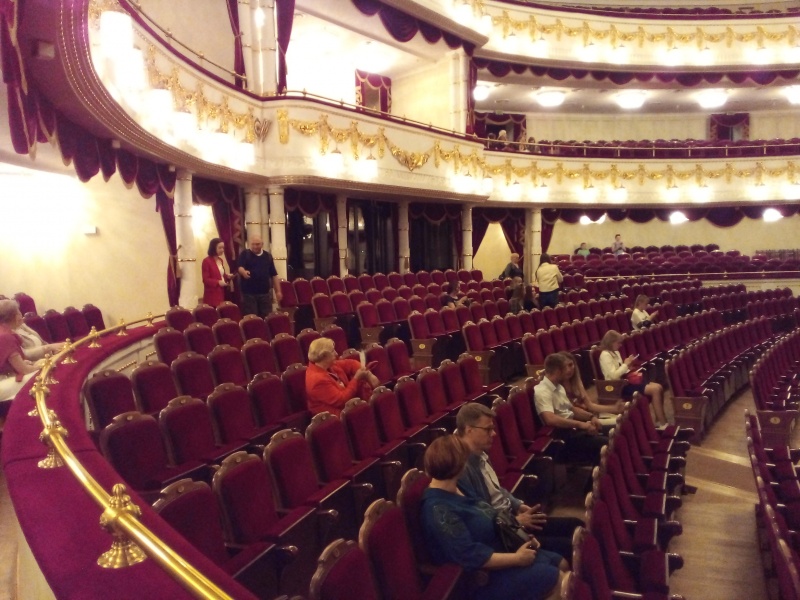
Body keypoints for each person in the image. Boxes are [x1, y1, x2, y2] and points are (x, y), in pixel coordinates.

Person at [420, 435, 566, 600]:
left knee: (561, 563)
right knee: (559, 581)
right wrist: (517, 559)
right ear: (459, 465)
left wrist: (520, 536)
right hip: (483, 578)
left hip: (503, 549)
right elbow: (468, 555)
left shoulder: (458, 485)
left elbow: (491, 514)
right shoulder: (438, 509)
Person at [455, 403, 583, 562]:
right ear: (469, 430)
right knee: (571, 546)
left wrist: (518, 505)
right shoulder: (462, 469)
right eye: (488, 429)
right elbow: (479, 516)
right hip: (503, 533)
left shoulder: (481, 453)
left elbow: (497, 488)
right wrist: (515, 521)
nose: (494, 433)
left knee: (576, 525)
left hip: (511, 518)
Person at [533, 353, 608, 465]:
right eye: (566, 367)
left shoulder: (559, 386)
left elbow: (572, 409)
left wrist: (591, 417)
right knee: (608, 444)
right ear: (558, 370)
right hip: (563, 436)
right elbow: (550, 419)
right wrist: (581, 425)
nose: (570, 370)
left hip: (573, 429)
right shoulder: (542, 391)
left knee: (614, 433)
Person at [599, 330, 668, 426]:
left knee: (659, 387)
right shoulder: (605, 355)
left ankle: (659, 420)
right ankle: (663, 423)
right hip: (618, 387)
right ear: (611, 342)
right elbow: (613, 376)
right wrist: (625, 365)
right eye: (618, 343)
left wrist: (628, 366)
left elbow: (621, 370)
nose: (620, 345)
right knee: (655, 390)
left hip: (625, 381)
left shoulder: (616, 352)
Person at [305, 337, 379, 417]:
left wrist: (368, 374)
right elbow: (342, 400)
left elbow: (351, 364)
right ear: (324, 356)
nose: (336, 353)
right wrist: (356, 379)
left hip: (347, 409)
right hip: (334, 417)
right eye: (333, 351)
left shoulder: (328, 365)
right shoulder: (317, 380)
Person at [557, 351, 623, 431]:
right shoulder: (557, 388)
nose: (568, 369)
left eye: (570, 365)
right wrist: (591, 418)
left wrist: (614, 408)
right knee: (620, 425)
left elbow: (590, 405)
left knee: (624, 421)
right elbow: (572, 413)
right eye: (564, 367)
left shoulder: (576, 381)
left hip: (591, 418)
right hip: (579, 424)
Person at [0, 300, 42, 402]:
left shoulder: (4, 332)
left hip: (6, 377)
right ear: (15, 316)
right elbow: (24, 370)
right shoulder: (5, 336)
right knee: (44, 376)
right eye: (19, 312)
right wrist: (42, 365)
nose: (21, 316)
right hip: (3, 383)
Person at [237, 236, 282, 318]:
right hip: (249, 295)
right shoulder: (245, 254)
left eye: (257, 244)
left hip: (265, 294)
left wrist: (278, 291)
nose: (255, 246)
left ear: (262, 244)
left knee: (267, 317)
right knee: (252, 319)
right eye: (253, 244)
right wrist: (243, 272)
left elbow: (274, 275)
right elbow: (240, 267)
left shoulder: (267, 256)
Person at [201, 238, 233, 308]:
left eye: (223, 248)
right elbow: (205, 279)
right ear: (213, 248)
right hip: (212, 294)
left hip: (221, 292)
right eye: (220, 248)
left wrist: (226, 276)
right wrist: (218, 282)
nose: (222, 250)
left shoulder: (220, 260)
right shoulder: (206, 261)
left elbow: (219, 274)